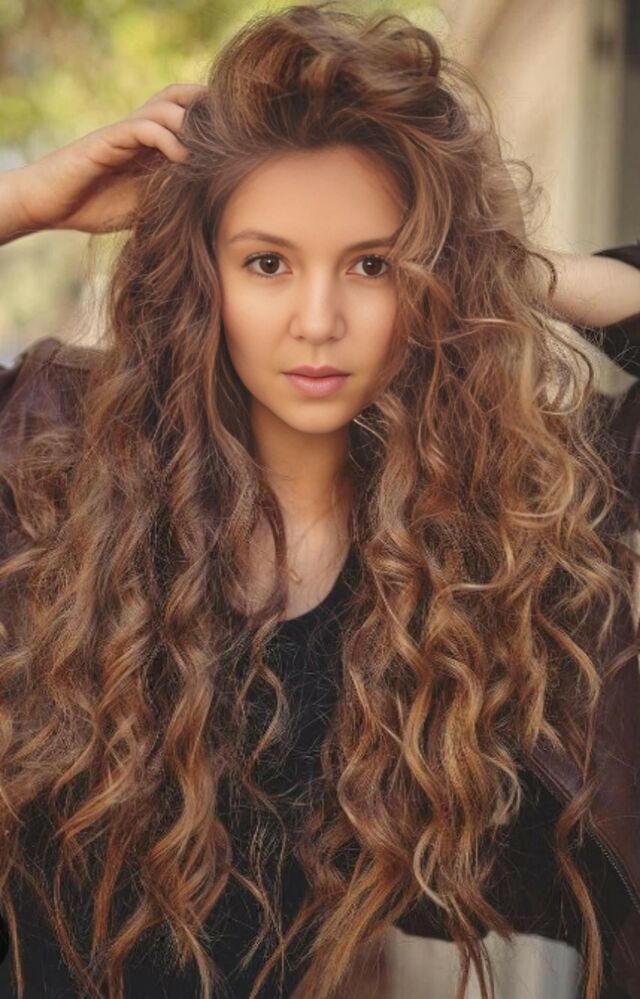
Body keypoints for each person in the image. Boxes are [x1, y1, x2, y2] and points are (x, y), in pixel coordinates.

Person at [0, 3, 639, 998]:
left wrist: (496, 263)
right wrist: (26, 199)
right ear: (204, 274)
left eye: (373, 264)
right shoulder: (47, 466)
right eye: (268, 262)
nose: (317, 320)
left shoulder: (490, 535)